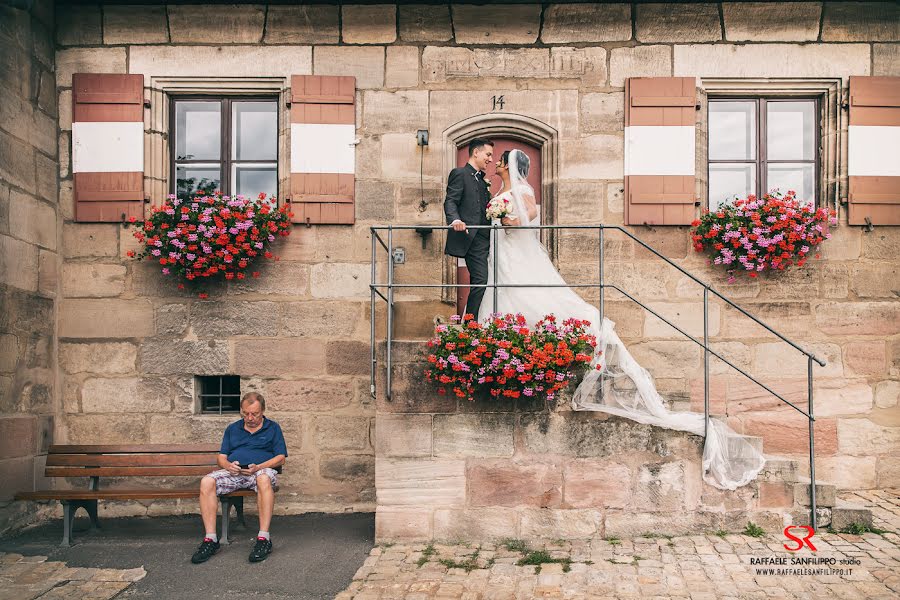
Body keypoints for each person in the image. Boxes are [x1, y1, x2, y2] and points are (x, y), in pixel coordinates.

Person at [479, 148, 765, 491]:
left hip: (518, 257)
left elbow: (524, 218)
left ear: (510, 166)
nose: (495, 163)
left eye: (500, 160)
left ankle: (577, 324)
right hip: (506, 258)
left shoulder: (522, 192)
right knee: (510, 293)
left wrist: (500, 218)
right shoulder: (501, 192)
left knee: (533, 294)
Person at [191, 392, 287, 564]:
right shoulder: (233, 428)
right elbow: (221, 457)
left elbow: (281, 458)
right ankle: (210, 540)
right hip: (235, 473)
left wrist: (259, 467)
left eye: (254, 414)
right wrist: (228, 466)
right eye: (245, 413)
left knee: (264, 479)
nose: (249, 418)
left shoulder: (273, 428)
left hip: (259, 471)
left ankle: (264, 538)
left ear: (263, 411)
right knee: (207, 481)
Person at [444, 138, 494, 318]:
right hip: (472, 238)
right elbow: (451, 201)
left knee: (480, 280)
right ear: (476, 153)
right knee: (480, 280)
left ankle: (473, 322)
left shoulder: (482, 180)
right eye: (488, 154)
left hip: (487, 238)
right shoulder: (459, 173)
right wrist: (455, 220)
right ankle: (470, 325)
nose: (490, 159)